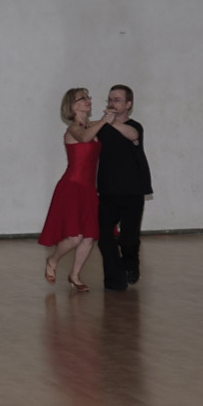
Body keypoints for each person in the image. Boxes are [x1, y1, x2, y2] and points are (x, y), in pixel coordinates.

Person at [39, 88, 115, 292]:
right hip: (72, 187)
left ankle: (75, 275)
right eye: (83, 98)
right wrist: (104, 121)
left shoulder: (90, 126)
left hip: (89, 189)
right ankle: (52, 260)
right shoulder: (74, 128)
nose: (88, 100)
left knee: (89, 236)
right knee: (75, 238)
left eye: (88, 97)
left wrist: (108, 119)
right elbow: (84, 138)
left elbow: (95, 131)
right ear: (72, 106)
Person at [97, 85, 153, 291]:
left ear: (128, 104)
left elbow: (132, 135)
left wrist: (112, 122)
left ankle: (131, 264)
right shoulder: (102, 127)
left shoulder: (134, 126)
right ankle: (114, 280)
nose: (112, 103)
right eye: (110, 99)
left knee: (128, 239)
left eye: (117, 100)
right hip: (107, 190)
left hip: (132, 190)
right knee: (104, 237)